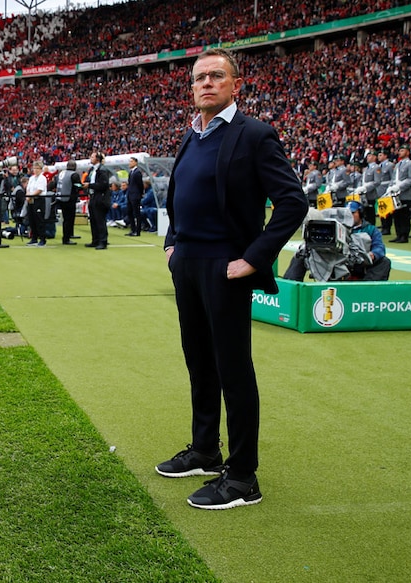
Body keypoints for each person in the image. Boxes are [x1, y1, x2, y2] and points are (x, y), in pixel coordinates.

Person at [156, 48, 307, 510]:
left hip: (226, 267)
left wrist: (253, 259)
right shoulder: (191, 134)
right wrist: (173, 245)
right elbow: (180, 196)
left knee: (233, 370)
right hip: (188, 264)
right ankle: (205, 450)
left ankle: (242, 477)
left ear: (235, 85)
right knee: (199, 362)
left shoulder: (255, 135)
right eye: (199, 77)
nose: (206, 82)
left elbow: (292, 202)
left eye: (216, 75)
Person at [282, 201, 391, 281]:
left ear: (361, 214)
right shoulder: (336, 227)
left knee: (384, 262)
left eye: (354, 213)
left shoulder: (371, 229)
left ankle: (366, 290)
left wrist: (371, 255)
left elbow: (379, 248)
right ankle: (289, 287)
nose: (351, 216)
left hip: (357, 261)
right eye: (349, 213)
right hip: (333, 258)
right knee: (300, 255)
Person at [386, 146, 411, 243]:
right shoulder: (398, 164)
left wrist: (400, 186)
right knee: (397, 215)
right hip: (395, 194)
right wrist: (390, 187)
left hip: (404, 194)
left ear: (407, 152)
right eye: (399, 150)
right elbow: (393, 178)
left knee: (404, 216)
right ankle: (398, 234)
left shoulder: (410, 164)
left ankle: (404, 235)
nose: (400, 152)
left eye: (402, 150)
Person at [85, 152, 112, 249]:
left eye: (92, 157)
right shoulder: (92, 169)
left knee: (100, 220)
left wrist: (90, 185)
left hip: (100, 197)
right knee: (93, 220)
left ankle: (103, 241)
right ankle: (95, 240)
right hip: (93, 196)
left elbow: (103, 185)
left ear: (97, 159)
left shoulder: (102, 170)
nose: (90, 158)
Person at [55, 161, 82, 245]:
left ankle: (69, 235)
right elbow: (78, 185)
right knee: (69, 219)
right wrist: (83, 186)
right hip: (69, 199)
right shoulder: (74, 175)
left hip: (61, 197)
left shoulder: (61, 173)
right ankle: (66, 238)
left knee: (66, 218)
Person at [26, 160, 48, 246]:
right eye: (34, 168)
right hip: (31, 200)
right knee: (32, 219)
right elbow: (28, 188)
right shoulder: (31, 178)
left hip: (39, 200)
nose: (35, 170)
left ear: (41, 169)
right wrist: (28, 196)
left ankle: (42, 238)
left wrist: (30, 196)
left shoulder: (42, 178)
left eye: (37, 168)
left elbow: (39, 190)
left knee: (39, 219)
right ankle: (34, 238)